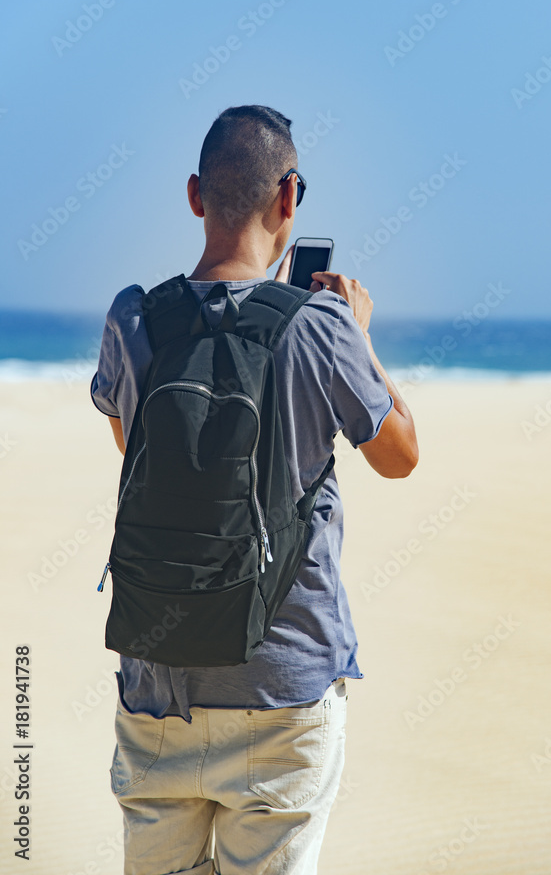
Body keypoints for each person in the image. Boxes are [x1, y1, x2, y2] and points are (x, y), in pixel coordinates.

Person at [91, 104, 419, 875]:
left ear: (195, 196)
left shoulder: (134, 316)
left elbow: (130, 448)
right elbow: (400, 456)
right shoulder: (320, 325)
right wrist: (360, 335)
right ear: (290, 198)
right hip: (283, 691)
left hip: (157, 687)